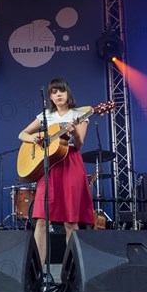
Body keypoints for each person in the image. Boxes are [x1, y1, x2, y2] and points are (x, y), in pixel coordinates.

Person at [18, 77, 94, 270]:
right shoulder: (46, 116)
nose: (58, 95)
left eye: (61, 91)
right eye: (53, 92)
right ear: (50, 97)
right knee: (41, 220)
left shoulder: (80, 114)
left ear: (68, 93)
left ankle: (74, 271)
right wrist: (36, 137)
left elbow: (79, 144)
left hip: (71, 164)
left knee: (71, 221)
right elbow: (22, 134)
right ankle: (37, 270)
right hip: (49, 166)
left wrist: (74, 132)